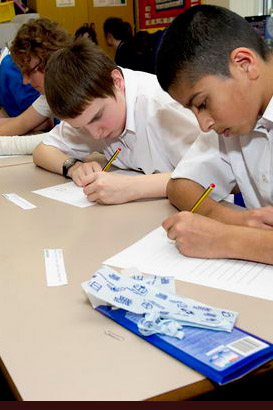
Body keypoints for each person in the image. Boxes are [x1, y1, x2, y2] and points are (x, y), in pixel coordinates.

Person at [156, 4, 273, 265]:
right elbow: (180, 185)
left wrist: (225, 238)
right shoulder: (237, 117)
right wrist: (240, 219)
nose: (203, 124)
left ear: (244, 64)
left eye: (203, 103)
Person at [33, 38, 215, 205]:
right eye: (81, 127)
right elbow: (43, 150)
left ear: (117, 82)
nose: (95, 134)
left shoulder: (163, 107)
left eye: (98, 117)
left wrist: (132, 187)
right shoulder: (88, 107)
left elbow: (210, 173)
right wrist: (73, 167)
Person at [0, 17, 72, 137]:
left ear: (51, 62)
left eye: (29, 71)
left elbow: (61, 142)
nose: (25, 81)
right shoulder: (50, 94)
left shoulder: (83, 89)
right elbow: (21, 123)